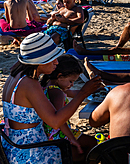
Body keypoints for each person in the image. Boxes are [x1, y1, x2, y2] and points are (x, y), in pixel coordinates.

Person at [2, 32, 102, 163]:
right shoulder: (29, 84)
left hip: (14, 144)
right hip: (29, 152)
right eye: (52, 58)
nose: (56, 62)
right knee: (85, 154)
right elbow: (55, 121)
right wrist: (83, 93)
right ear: (39, 61)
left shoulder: (17, 75)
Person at [41, 54, 97, 162]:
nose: (72, 84)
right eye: (71, 81)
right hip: (56, 135)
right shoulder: (57, 93)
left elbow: (74, 93)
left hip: (51, 131)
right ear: (60, 76)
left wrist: (94, 90)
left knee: (89, 142)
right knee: (91, 144)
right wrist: (71, 138)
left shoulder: (51, 86)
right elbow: (60, 121)